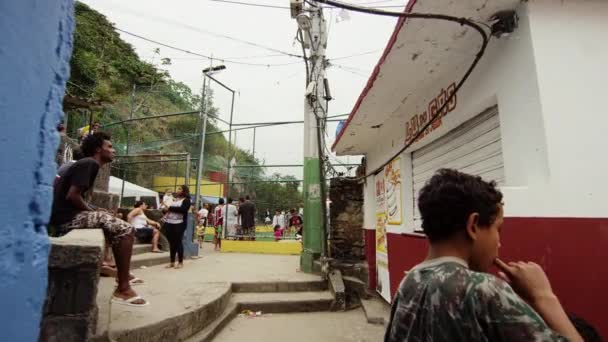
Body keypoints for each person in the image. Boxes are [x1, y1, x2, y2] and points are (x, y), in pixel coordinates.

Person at [384, 169, 583, 342]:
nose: (499, 242)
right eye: (498, 229)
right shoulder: (484, 289)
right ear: (473, 226)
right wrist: (544, 296)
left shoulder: (408, 283)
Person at [50, 132, 148, 306]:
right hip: (66, 219)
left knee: (109, 219)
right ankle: (123, 289)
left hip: (65, 215)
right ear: (97, 149)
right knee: (126, 230)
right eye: (109, 147)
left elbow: (76, 197)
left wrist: (96, 210)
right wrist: (92, 210)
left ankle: (111, 267)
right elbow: (72, 196)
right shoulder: (89, 163)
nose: (113, 150)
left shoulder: (86, 164)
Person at [162, 185, 191, 269]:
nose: (177, 190)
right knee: (171, 242)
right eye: (177, 188)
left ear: (184, 191)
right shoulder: (173, 199)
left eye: (179, 189)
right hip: (169, 222)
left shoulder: (187, 200)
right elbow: (167, 210)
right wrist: (164, 210)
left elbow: (183, 210)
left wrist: (170, 208)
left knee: (178, 241)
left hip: (179, 223)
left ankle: (180, 262)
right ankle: (172, 262)